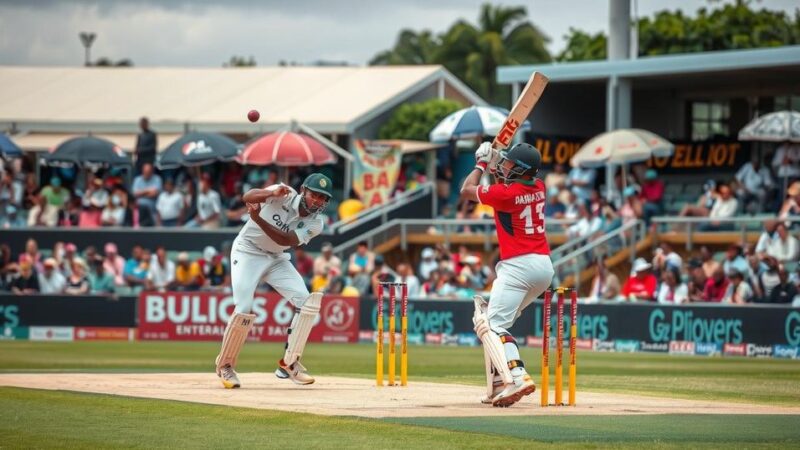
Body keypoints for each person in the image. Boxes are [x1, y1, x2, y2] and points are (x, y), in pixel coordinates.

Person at [214, 172, 332, 389]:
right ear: (304, 190)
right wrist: (268, 193)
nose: (317, 201)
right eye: (314, 195)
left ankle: (289, 363)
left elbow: (284, 239)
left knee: (307, 302)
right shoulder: (283, 193)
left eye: (323, 198)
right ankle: (225, 366)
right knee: (244, 309)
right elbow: (247, 197)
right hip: (247, 250)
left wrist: (257, 218)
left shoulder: (316, 224)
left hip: (276, 257)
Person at [460, 141, 553, 407]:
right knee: (493, 325)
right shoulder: (539, 187)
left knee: (491, 326)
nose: (505, 165)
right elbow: (504, 180)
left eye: (511, 163)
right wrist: (496, 159)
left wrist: (481, 163)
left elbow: (466, 190)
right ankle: (499, 383)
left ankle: (518, 375)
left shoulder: (507, 195)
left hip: (518, 266)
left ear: (522, 169)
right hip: (543, 268)